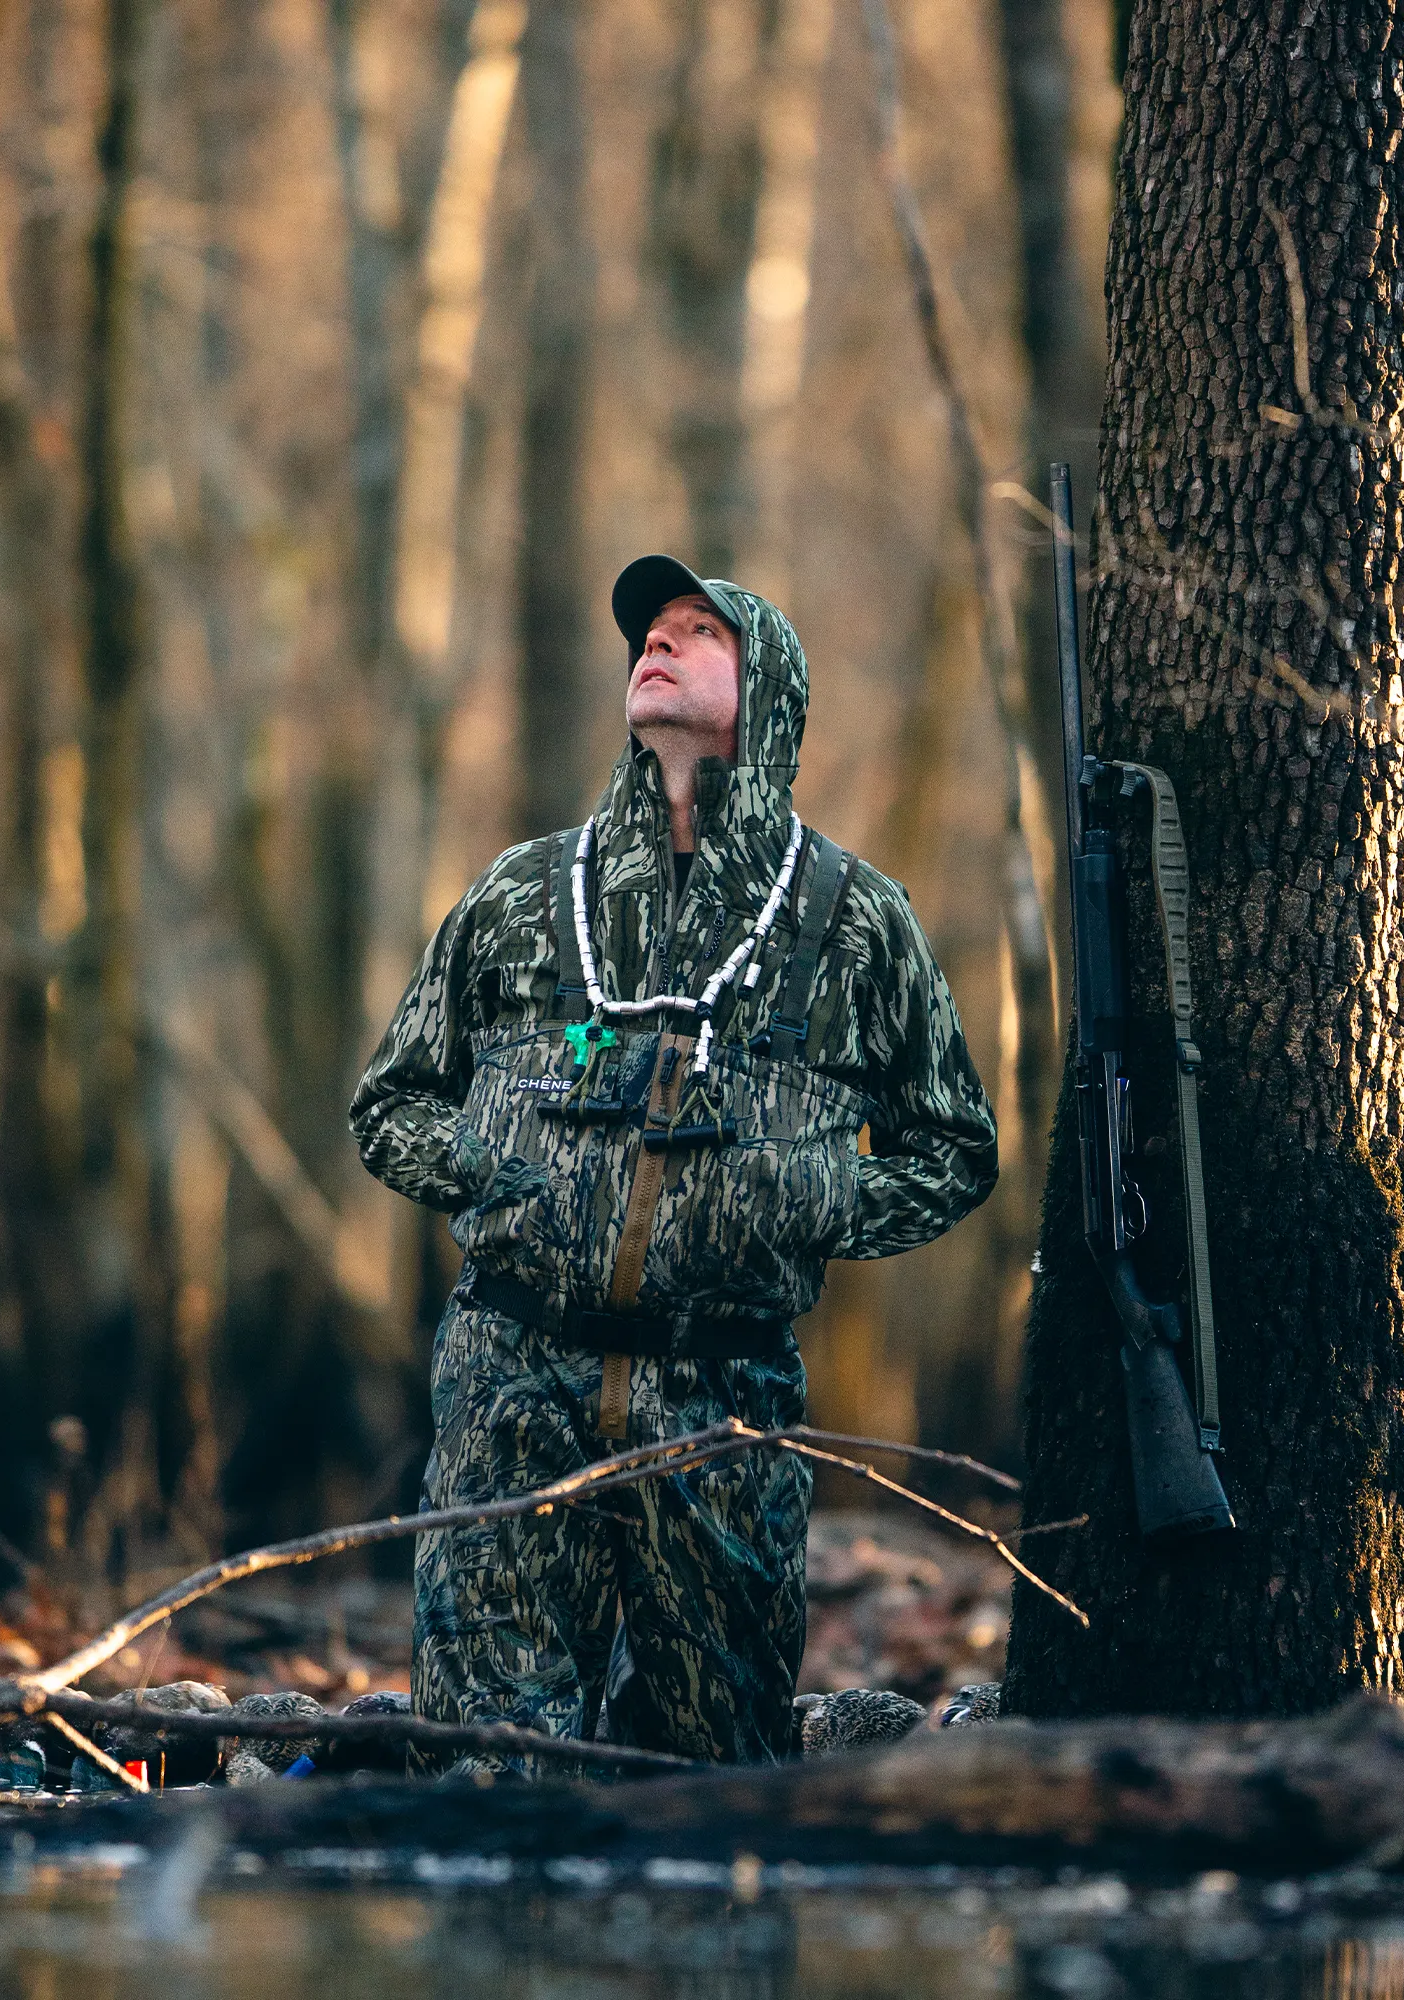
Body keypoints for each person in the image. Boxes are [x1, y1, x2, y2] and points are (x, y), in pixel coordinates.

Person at [350, 556, 998, 1769]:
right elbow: (390, 1104)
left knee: (711, 1777)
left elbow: (955, 1148)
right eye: (649, 632)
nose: (656, 645)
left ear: (772, 697)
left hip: (722, 1399)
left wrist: (809, 1201)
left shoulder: (855, 919)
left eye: (698, 632)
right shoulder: (523, 893)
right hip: (509, 1374)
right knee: (487, 1770)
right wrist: (495, 1171)